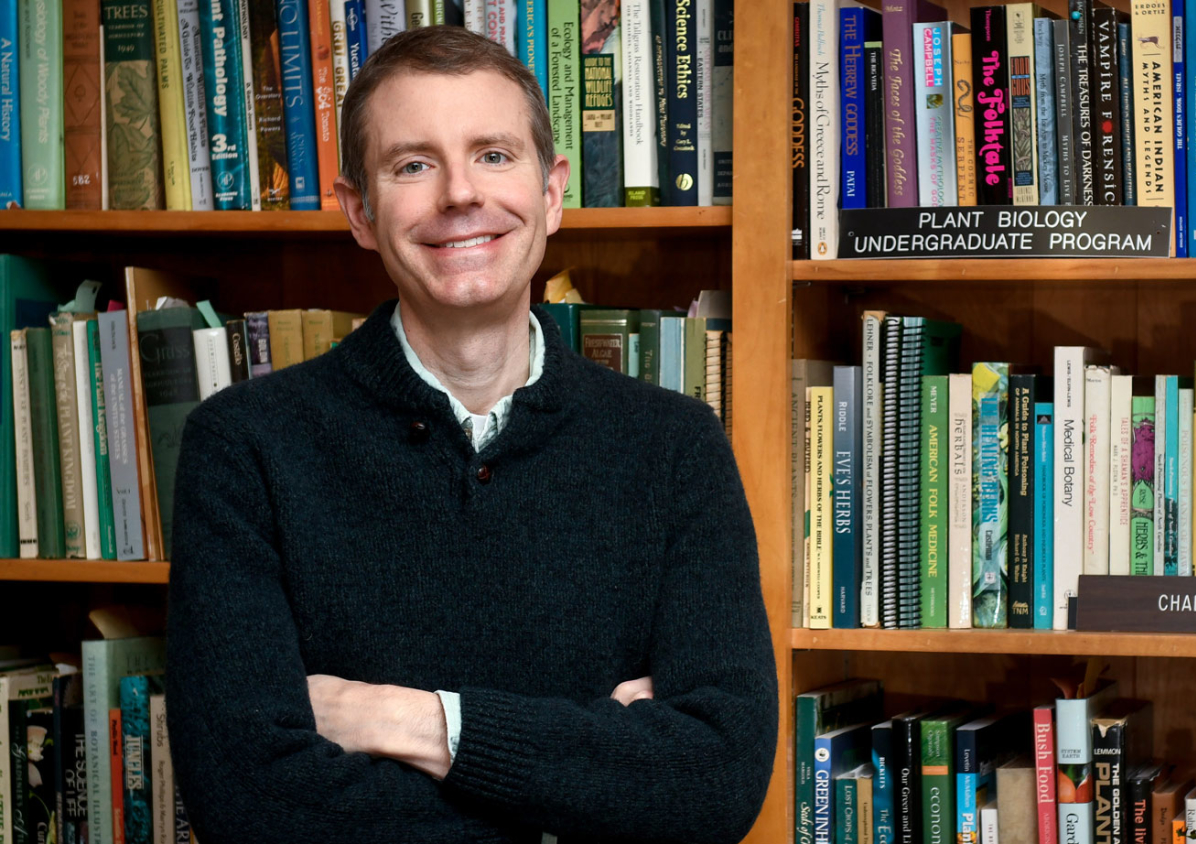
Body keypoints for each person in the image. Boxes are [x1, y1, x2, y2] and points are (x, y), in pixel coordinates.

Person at [164, 26, 777, 844]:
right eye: (413, 164)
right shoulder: (244, 450)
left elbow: (716, 782)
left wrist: (412, 723)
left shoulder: (675, 447)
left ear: (553, 192)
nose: (460, 193)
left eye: (493, 154)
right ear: (359, 211)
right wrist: (589, 776)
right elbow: (249, 805)